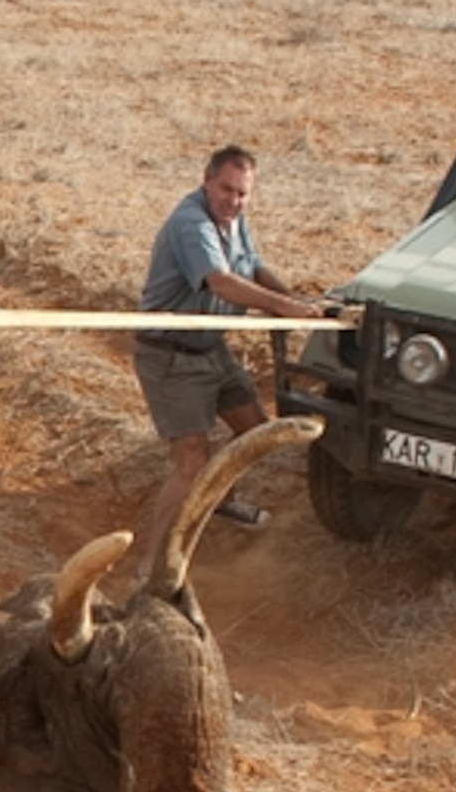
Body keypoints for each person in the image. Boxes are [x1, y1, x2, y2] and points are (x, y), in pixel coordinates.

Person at [135, 145, 338, 537]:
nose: (233, 201)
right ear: (207, 181)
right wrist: (283, 306)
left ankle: (218, 502)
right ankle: (152, 567)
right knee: (193, 459)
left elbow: (252, 267)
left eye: (242, 193)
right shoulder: (191, 223)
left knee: (254, 431)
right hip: (171, 357)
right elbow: (222, 282)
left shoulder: (233, 219)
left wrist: (295, 300)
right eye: (226, 190)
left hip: (211, 348)